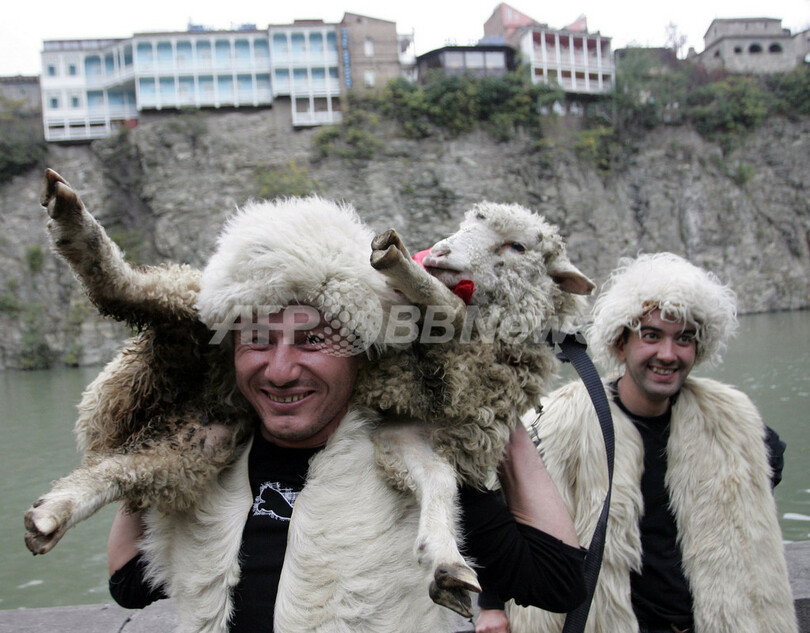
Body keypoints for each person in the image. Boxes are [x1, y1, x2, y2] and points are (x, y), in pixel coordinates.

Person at [106, 197, 586, 633]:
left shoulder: (413, 467)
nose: (280, 371)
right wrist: (167, 414)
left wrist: (498, 399)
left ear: (363, 350)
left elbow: (557, 582)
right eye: (256, 340)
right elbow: (129, 581)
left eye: (313, 340)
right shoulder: (212, 460)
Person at [504, 252, 797, 633]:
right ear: (620, 344)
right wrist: (492, 604)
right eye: (652, 336)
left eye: (684, 339)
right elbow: (507, 508)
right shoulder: (560, 423)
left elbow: (759, 495)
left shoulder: (733, 427)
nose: (668, 355)